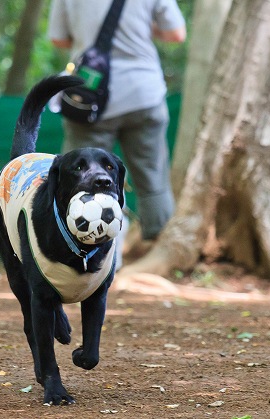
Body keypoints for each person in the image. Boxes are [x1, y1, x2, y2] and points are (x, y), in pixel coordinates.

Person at [47, 0, 186, 265]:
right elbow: (176, 34)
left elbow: (58, 39)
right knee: (153, 178)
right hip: (144, 94)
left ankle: (105, 261)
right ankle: (163, 250)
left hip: (91, 98)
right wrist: (144, 28)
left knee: (86, 182)